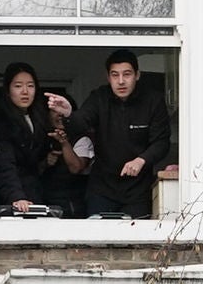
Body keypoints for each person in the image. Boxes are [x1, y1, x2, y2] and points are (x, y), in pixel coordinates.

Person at [64, 50, 174, 219]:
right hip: (102, 188)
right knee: (97, 240)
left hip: (138, 189)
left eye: (127, 74)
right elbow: (81, 122)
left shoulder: (152, 100)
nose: (121, 81)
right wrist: (69, 113)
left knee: (137, 241)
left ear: (137, 75)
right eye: (115, 75)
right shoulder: (99, 98)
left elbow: (161, 142)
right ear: (108, 77)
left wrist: (141, 160)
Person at [0, 60, 78, 218]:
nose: (25, 91)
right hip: (9, 201)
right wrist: (15, 197)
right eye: (18, 86)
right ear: (8, 90)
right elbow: (2, 165)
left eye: (30, 86)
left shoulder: (38, 118)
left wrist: (46, 160)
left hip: (35, 194)